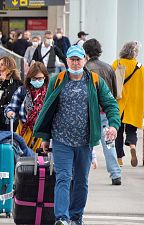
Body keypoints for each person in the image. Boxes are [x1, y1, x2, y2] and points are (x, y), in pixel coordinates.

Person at [33, 45, 120, 225]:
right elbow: (48, 109)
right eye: (71, 59)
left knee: (81, 181)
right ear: (66, 61)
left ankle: (76, 217)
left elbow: (111, 104)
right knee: (63, 177)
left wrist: (114, 125)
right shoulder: (57, 80)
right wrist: (45, 137)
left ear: (84, 60)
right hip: (61, 139)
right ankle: (62, 218)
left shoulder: (95, 81)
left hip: (85, 141)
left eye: (78, 59)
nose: (74, 62)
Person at [83, 38, 122, 185]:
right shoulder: (108, 68)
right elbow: (116, 92)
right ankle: (115, 174)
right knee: (109, 143)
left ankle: (83, 173)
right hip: (105, 112)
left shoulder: (85, 69)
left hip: (90, 113)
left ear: (85, 52)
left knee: (87, 145)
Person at [111, 41, 144, 167]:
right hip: (134, 103)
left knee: (118, 131)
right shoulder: (140, 67)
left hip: (119, 101)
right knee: (131, 131)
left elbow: (110, 80)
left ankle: (119, 158)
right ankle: (132, 145)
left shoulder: (117, 63)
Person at [4, 62, 49, 151]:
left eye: (40, 78)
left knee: (41, 162)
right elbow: (11, 107)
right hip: (24, 132)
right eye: (34, 78)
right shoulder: (22, 90)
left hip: (43, 134)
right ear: (29, 78)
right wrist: (9, 112)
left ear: (45, 77)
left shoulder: (50, 92)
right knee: (23, 159)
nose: (37, 81)